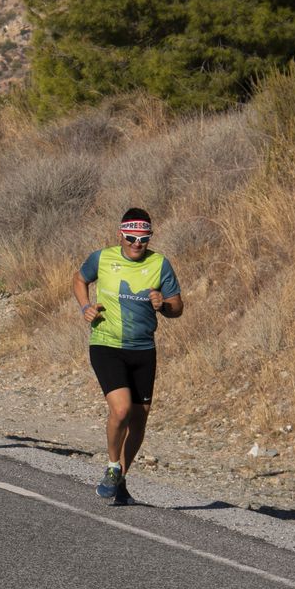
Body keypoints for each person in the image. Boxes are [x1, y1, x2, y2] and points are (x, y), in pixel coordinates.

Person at [73, 208, 183, 505]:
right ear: (121, 235)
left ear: (150, 238)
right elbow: (79, 279)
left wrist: (164, 306)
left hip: (143, 350)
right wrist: (85, 307)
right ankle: (112, 466)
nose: (137, 244)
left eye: (143, 239)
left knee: (139, 420)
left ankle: (120, 478)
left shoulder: (160, 264)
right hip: (106, 345)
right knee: (120, 411)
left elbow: (177, 306)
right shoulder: (103, 258)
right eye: (131, 238)